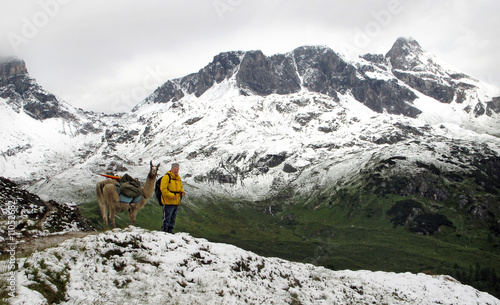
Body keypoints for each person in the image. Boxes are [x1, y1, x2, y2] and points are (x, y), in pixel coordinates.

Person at [160, 163, 185, 233]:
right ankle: (164, 231)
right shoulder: (166, 177)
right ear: (171, 169)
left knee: (173, 218)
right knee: (167, 218)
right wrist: (171, 196)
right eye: (175, 169)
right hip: (168, 201)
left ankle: (170, 231)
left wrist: (182, 192)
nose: (176, 170)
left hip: (176, 201)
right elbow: (163, 189)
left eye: (177, 169)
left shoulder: (178, 178)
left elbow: (180, 188)